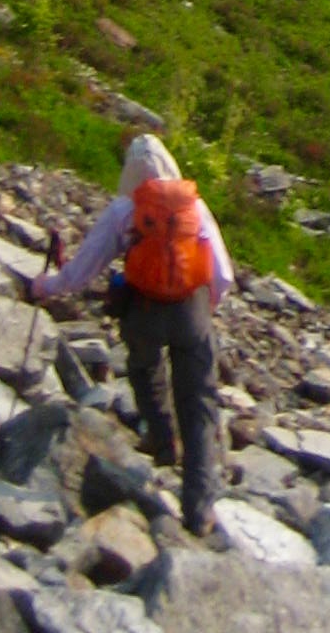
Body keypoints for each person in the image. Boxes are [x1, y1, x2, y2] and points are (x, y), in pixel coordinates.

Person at [25, 132, 234, 538]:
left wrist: (43, 287)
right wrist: (206, 308)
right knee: (199, 403)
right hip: (192, 313)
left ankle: (161, 439)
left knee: (144, 367)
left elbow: (82, 271)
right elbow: (223, 275)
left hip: (143, 312)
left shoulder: (125, 210)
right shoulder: (195, 207)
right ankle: (199, 508)